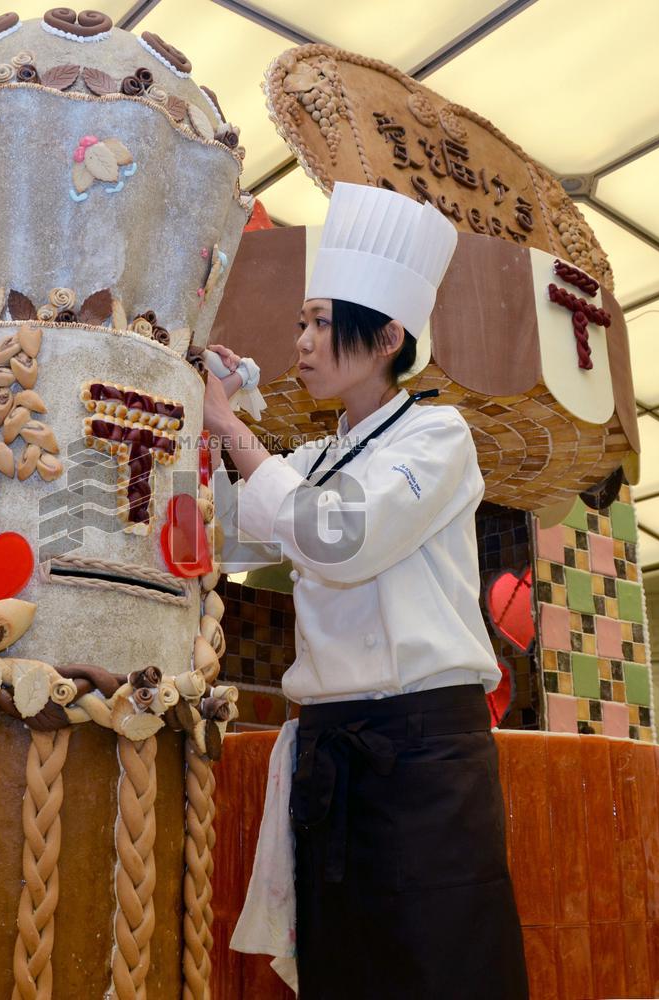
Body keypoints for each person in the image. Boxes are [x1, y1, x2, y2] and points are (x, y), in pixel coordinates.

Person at [203, 183, 529, 999]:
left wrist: (236, 433)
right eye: (301, 324)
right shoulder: (314, 461)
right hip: (332, 754)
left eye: (321, 322)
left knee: (440, 965)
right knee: (343, 968)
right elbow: (206, 541)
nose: (303, 342)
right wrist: (193, 424)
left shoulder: (437, 435)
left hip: (424, 756)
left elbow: (336, 539)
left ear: (386, 337)